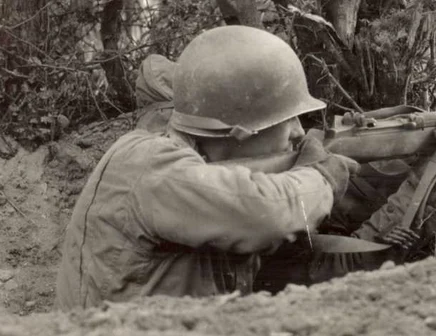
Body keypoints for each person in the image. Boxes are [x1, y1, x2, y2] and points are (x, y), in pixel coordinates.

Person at [55, 25, 360, 310]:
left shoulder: (190, 155)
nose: (298, 133)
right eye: (285, 121)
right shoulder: (151, 166)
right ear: (239, 130)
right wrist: (321, 176)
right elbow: (266, 215)